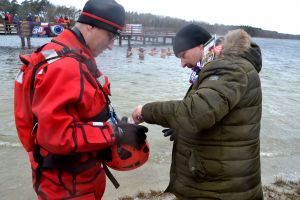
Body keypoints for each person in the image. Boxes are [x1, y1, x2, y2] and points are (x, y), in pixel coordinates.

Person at [14, 0, 148, 199]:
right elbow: (56, 136)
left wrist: (116, 124)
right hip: (69, 186)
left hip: (71, 180)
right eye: (110, 36)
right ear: (90, 25)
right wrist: (115, 133)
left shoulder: (65, 53)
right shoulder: (66, 66)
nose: (111, 46)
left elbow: (80, 112)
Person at [132, 24, 263, 199]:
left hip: (222, 187)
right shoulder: (220, 66)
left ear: (200, 46)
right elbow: (216, 113)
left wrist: (146, 111)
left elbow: (195, 114)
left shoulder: (229, 68)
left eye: (183, 56)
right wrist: (182, 129)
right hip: (222, 178)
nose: (182, 64)